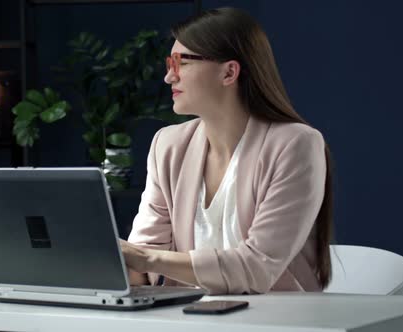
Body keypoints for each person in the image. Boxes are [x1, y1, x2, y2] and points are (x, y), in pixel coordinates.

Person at [119, 7, 334, 295]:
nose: (170, 77)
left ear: (229, 72)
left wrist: (146, 259)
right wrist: (117, 264)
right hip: (184, 318)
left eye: (180, 63)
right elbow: (142, 260)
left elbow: (258, 268)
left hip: (277, 320)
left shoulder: (296, 145)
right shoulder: (167, 146)